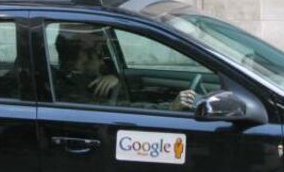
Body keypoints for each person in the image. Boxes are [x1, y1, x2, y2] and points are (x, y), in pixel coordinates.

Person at [53, 27, 196, 111]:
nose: (101, 58)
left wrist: (116, 80)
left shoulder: (86, 81)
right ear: (78, 61)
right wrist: (170, 107)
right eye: (94, 53)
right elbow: (128, 111)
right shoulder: (73, 92)